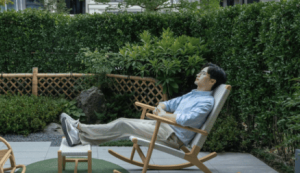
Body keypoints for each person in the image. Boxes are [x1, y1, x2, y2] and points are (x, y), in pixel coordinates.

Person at [60, 63, 227, 149]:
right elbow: (166, 104)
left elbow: (187, 119)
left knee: (123, 124)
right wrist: (161, 109)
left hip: (173, 137)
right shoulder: (193, 94)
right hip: (163, 126)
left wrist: (162, 115)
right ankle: (80, 137)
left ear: (212, 81)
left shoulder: (206, 102)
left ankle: (79, 128)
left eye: (203, 73)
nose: (198, 74)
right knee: (122, 122)